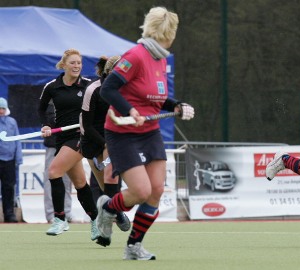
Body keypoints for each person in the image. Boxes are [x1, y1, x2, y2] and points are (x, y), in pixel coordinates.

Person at [97, 6, 194, 260]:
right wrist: (130, 109)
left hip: (149, 132)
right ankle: (107, 208)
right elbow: (107, 90)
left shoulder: (160, 58)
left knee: (156, 191)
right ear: (166, 33)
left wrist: (176, 106)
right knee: (140, 191)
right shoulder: (136, 55)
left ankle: (133, 247)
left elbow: (155, 97)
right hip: (122, 132)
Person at [38, 48, 99, 239]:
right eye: (72, 63)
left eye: (79, 63)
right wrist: (46, 125)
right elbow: (41, 109)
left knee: (54, 171)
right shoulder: (51, 86)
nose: (76, 66)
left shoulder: (89, 86)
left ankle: (60, 219)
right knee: (80, 183)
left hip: (81, 136)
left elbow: (104, 101)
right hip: (62, 139)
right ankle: (97, 221)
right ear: (64, 65)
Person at [80, 55, 131, 233]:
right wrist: (104, 144)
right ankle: (115, 212)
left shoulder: (125, 90)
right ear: (109, 71)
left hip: (113, 137)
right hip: (92, 139)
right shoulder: (92, 89)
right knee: (102, 185)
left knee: (113, 178)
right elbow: (86, 125)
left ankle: (112, 215)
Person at [42, 102, 73, 223]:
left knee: (67, 180)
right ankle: (51, 214)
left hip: (69, 145)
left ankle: (67, 212)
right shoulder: (49, 105)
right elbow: (49, 121)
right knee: (51, 180)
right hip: (53, 146)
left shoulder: (73, 101)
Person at [0, 98, 22, 223]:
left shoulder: (12, 122)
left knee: (9, 188)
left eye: (3, 108)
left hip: (9, 160)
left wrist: (18, 158)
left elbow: (17, 140)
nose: (1, 111)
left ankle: (9, 214)